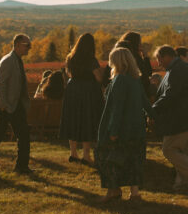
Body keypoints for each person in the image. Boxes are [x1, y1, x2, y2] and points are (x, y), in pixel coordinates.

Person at [96, 47, 151, 203]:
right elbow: (145, 101)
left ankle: (113, 190)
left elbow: (116, 108)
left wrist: (113, 130)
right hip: (137, 127)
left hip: (121, 127)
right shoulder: (135, 79)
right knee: (134, 159)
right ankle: (135, 193)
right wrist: (154, 116)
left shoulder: (119, 80)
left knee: (109, 159)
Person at [152, 45, 188, 191]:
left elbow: (171, 94)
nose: (158, 63)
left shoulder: (177, 70)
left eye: (159, 59)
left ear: (166, 57)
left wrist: (153, 110)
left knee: (169, 149)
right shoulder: (181, 68)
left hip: (182, 118)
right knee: (183, 153)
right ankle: (182, 183)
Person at [0, 34, 34, 176]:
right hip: (7, 106)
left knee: (22, 135)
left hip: (15, 105)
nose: (30, 48)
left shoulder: (16, 60)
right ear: (17, 45)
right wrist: (4, 104)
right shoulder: (9, 61)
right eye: (27, 45)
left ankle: (21, 166)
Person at [60, 33, 105, 166]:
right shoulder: (91, 60)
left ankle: (73, 153)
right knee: (87, 120)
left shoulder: (71, 57)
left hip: (73, 90)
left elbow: (69, 74)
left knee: (73, 119)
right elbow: (98, 77)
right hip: (88, 92)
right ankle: (86, 154)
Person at [117, 32, 153, 97]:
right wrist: (146, 57)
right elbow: (148, 72)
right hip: (137, 94)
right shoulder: (135, 58)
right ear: (135, 43)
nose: (141, 44)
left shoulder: (117, 56)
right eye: (140, 42)